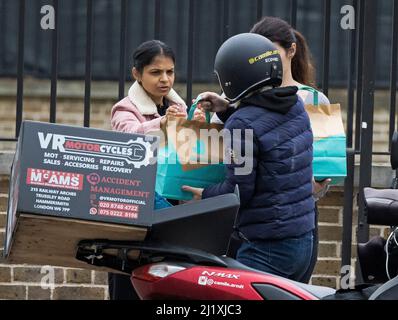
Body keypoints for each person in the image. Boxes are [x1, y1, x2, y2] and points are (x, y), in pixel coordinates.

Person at [199, 17, 331, 283]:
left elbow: (239, 190)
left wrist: (204, 195)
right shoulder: (294, 104)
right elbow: (268, 134)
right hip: (302, 240)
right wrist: (228, 111)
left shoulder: (242, 124)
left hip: (267, 247)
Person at [109, 39, 202, 300]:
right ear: (136, 74)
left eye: (170, 72)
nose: (165, 79)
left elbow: (191, 154)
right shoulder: (126, 109)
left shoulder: (180, 109)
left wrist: (197, 126)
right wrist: (163, 123)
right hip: (136, 211)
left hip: (172, 207)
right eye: (155, 72)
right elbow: (129, 139)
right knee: (130, 280)